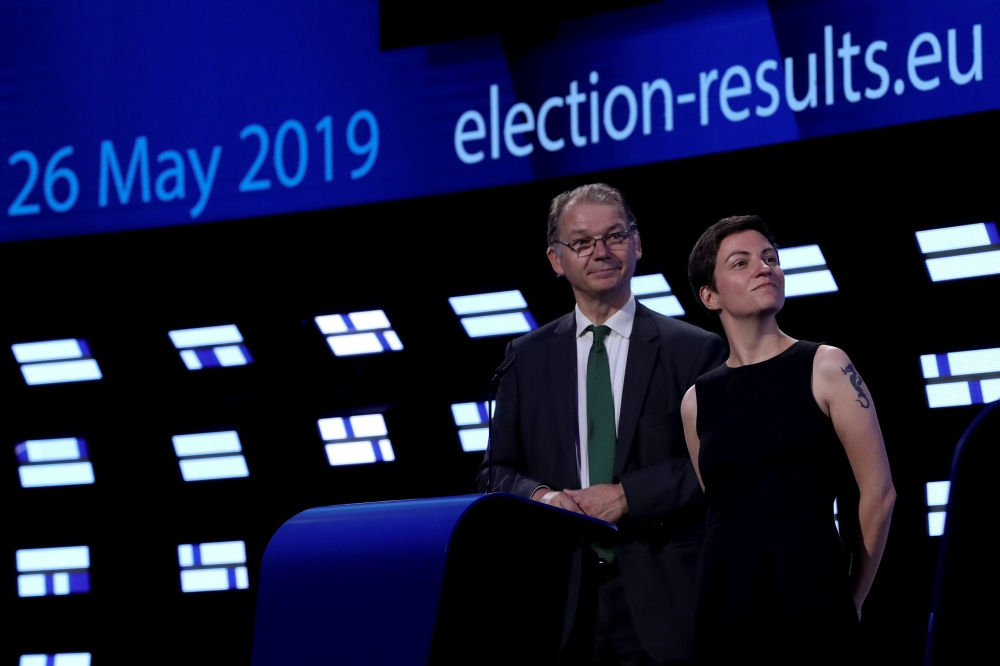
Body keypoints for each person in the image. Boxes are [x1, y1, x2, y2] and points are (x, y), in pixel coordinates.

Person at [477, 183, 727, 664]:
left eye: (614, 236)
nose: (601, 252)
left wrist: (629, 495)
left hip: (665, 597)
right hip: (559, 604)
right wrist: (543, 498)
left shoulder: (692, 350)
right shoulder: (524, 360)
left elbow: (716, 466)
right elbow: (496, 471)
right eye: (582, 242)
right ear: (556, 259)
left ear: (637, 245)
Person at [680, 215, 896, 664]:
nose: (764, 268)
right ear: (709, 295)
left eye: (770, 258)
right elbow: (719, 504)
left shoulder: (827, 365)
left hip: (812, 590)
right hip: (726, 602)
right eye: (741, 262)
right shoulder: (696, 400)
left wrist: (851, 599)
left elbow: (879, 494)